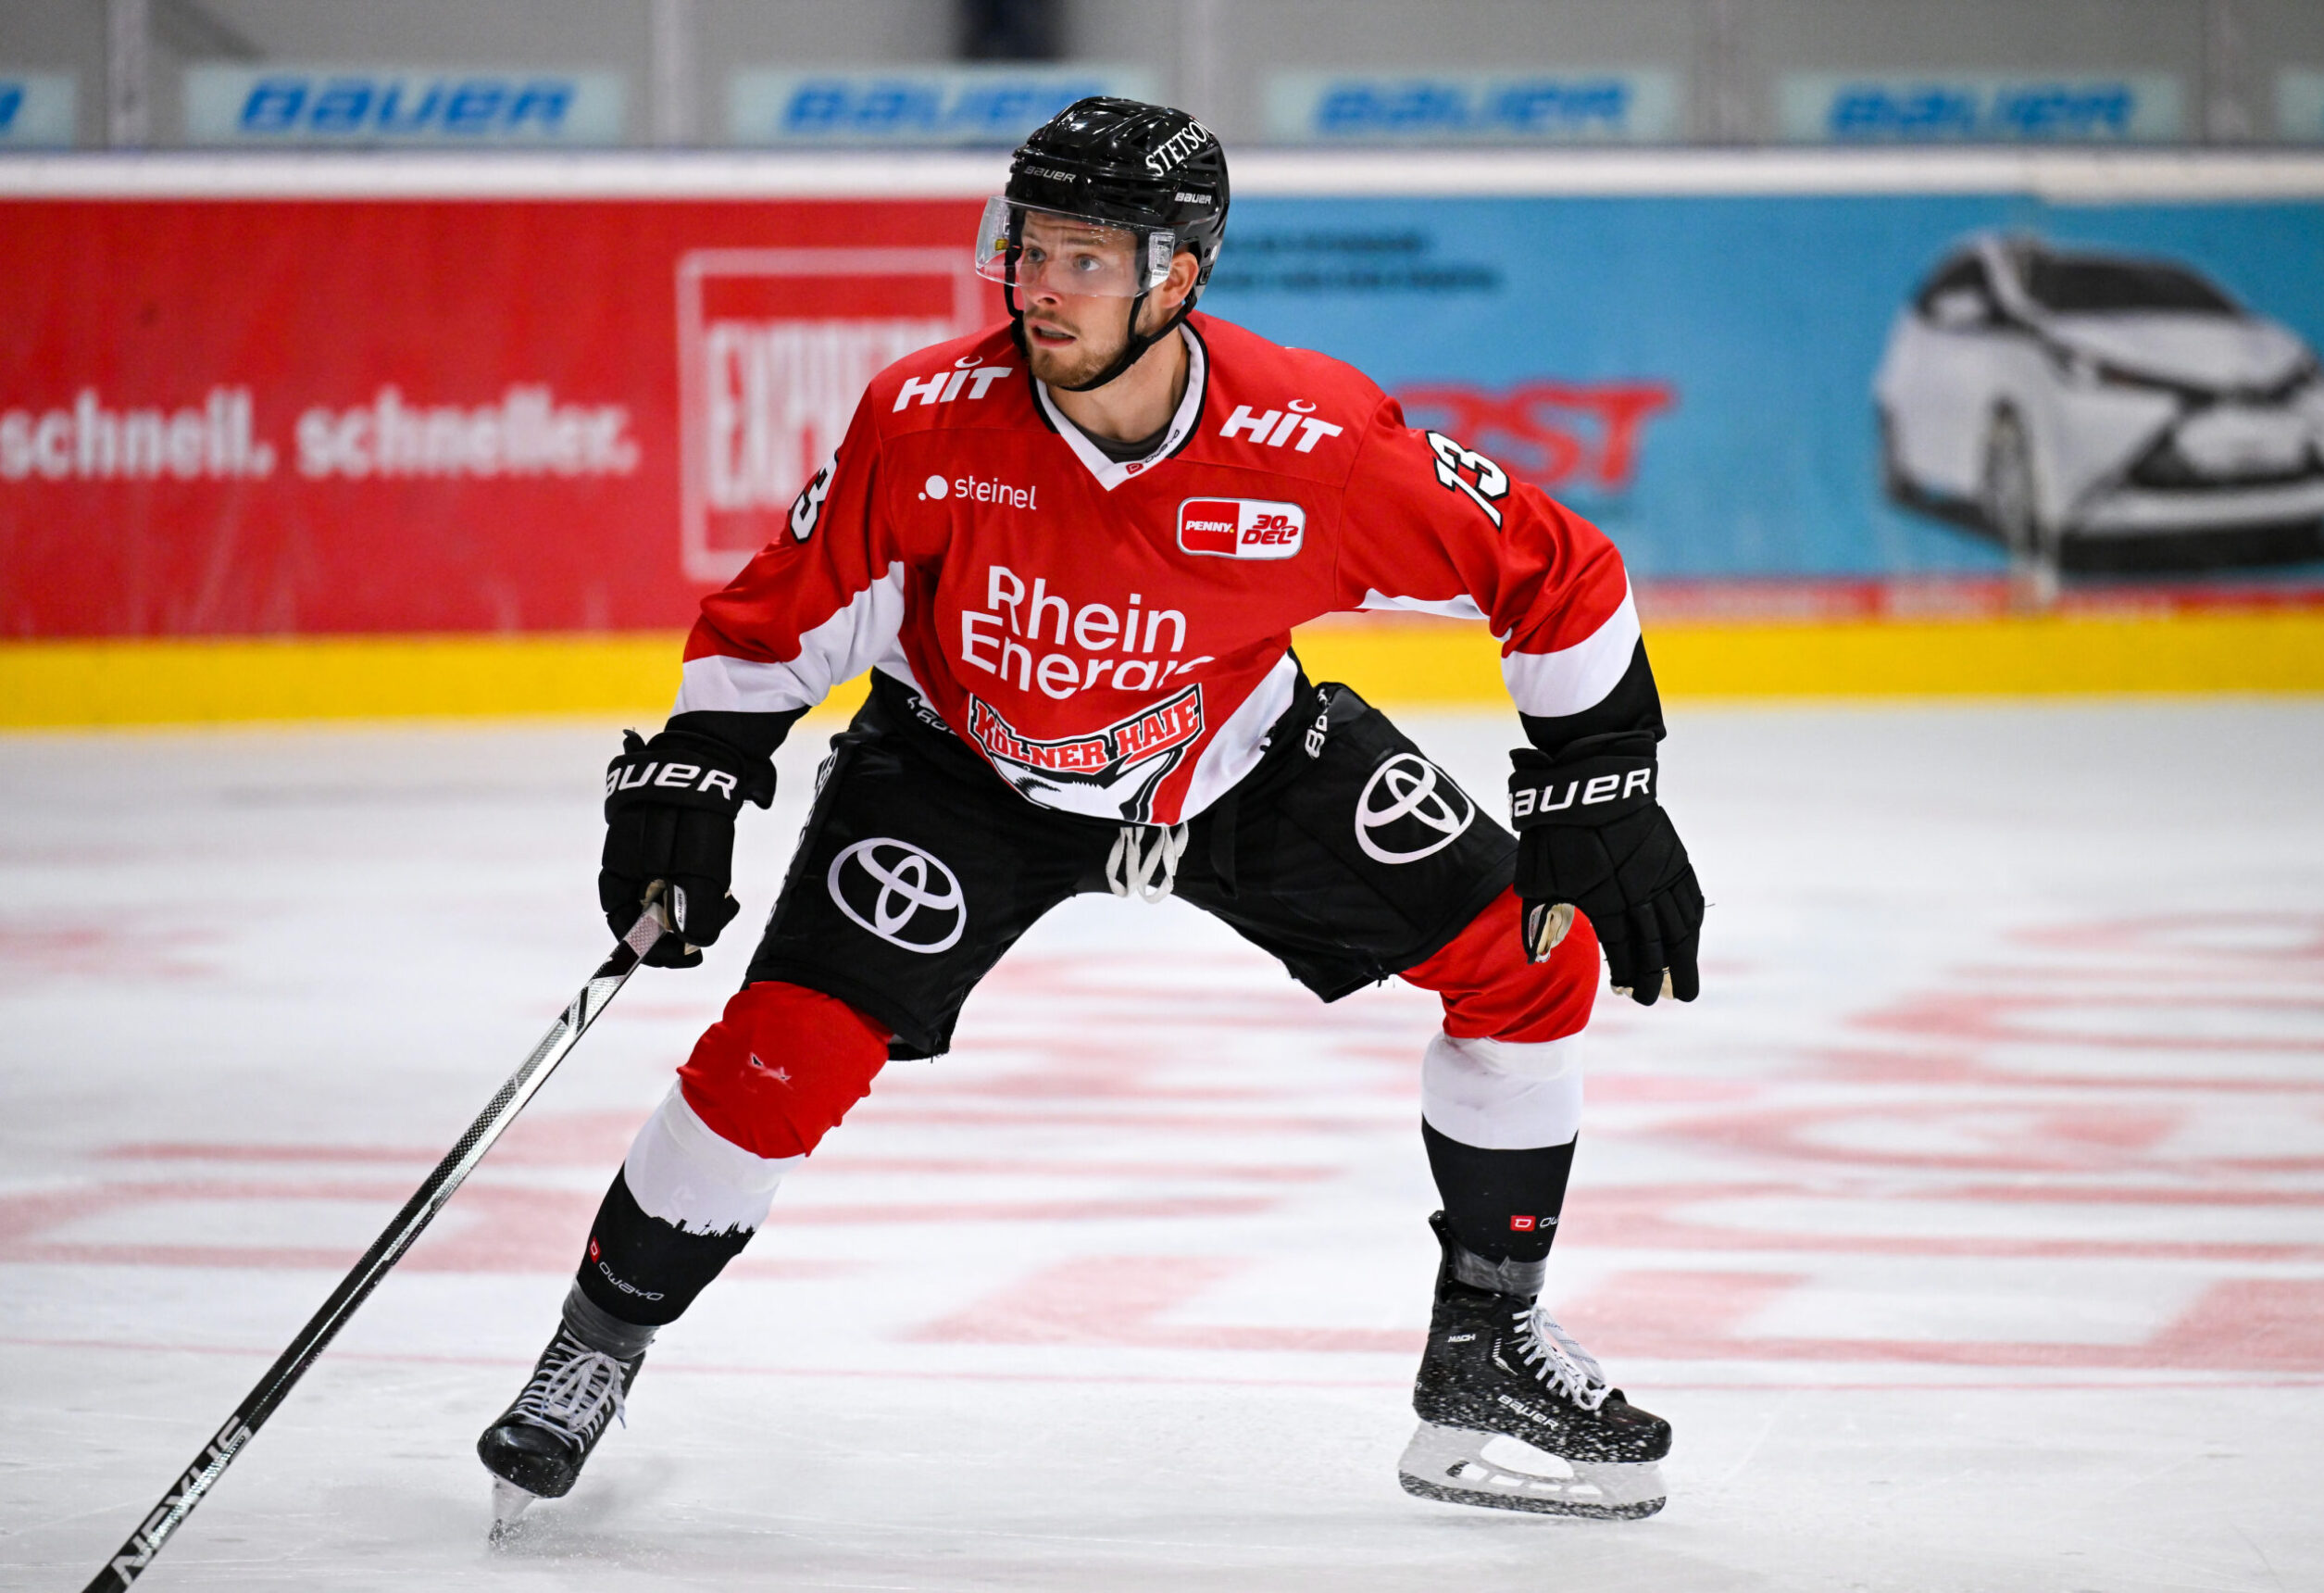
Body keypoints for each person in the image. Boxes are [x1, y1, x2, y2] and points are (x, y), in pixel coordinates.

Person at [477, 96, 1704, 1531]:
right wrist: (699, 766)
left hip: (1234, 758)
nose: (1039, 289)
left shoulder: (1311, 445)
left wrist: (1599, 780)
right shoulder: (926, 423)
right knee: (779, 1054)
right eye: (1029, 248)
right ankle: (596, 1345)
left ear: (1179, 276)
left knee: (1530, 958)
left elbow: (1557, 568)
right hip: (958, 774)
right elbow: (786, 613)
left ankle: (1487, 1344)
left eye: (1084, 259)